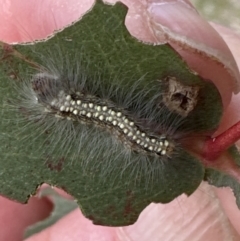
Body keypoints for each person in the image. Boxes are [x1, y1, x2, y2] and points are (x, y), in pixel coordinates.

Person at [1, 0, 240, 240]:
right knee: (114, 119)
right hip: (151, 143)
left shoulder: (71, 106)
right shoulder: (78, 104)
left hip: (150, 143)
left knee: (115, 120)